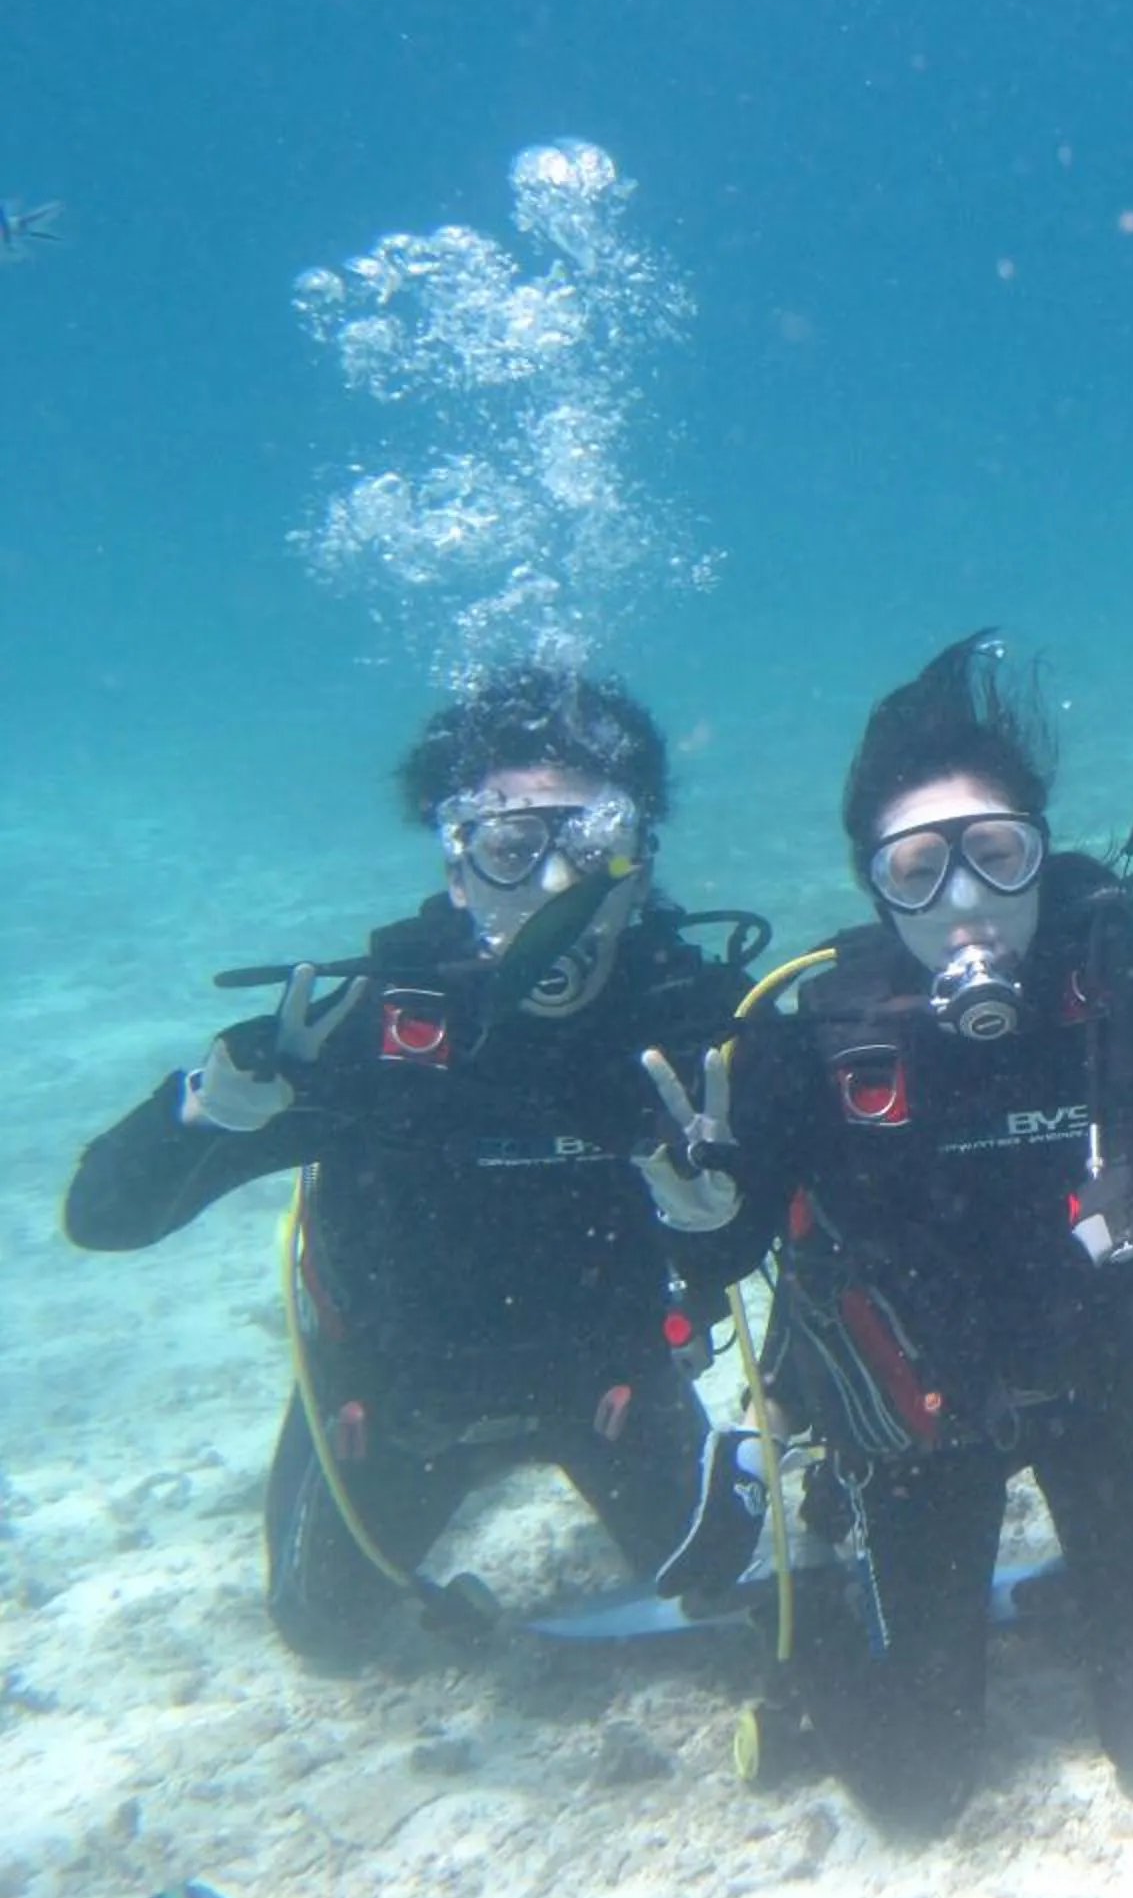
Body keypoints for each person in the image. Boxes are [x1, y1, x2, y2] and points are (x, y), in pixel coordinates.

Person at [680, 631, 1133, 1829]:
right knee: (915, 1797)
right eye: (917, 870)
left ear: (1042, 855)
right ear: (872, 884)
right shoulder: (813, 1030)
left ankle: (1085, 1591)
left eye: (994, 853)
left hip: (1117, 1398)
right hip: (914, 1430)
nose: (966, 898)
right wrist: (703, 1216)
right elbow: (719, 1255)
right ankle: (822, 1578)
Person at [63, 667, 773, 1661]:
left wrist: (722, 1221)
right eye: (513, 848)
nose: (555, 884)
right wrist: (198, 1116)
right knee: (323, 1629)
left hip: (613, 1384)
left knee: (729, 1586)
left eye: (590, 847)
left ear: (640, 863)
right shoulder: (362, 1032)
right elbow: (105, 1217)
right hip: (397, 1404)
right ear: (456, 866)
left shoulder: (693, 1026)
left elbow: (816, 1220)